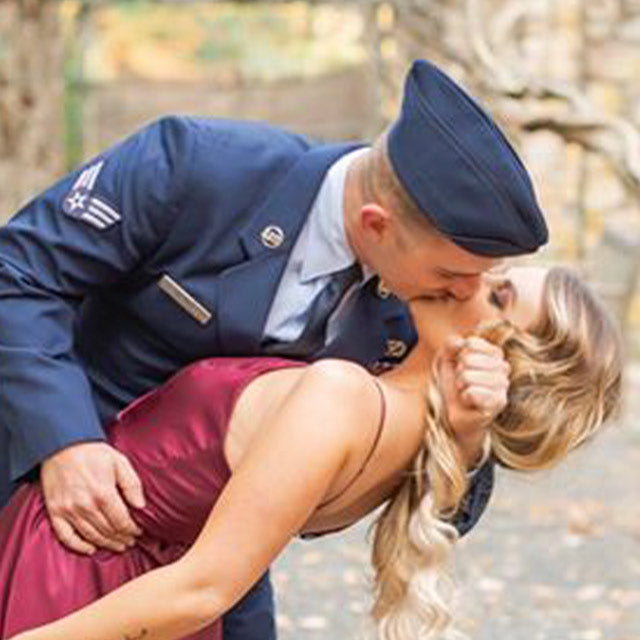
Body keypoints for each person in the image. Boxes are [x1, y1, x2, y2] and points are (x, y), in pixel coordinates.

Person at [0, 60, 548, 638]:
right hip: (49, 503)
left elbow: (436, 502)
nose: (468, 294)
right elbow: (19, 274)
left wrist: (466, 435)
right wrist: (66, 442)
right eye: (452, 274)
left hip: (212, 569)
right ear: (376, 224)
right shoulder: (194, 166)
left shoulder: (423, 306)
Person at [0, 265, 623, 640]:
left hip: (77, 585)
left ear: (502, 358)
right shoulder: (405, 448)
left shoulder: (343, 398)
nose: (475, 275)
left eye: (501, 294)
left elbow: (204, 588)